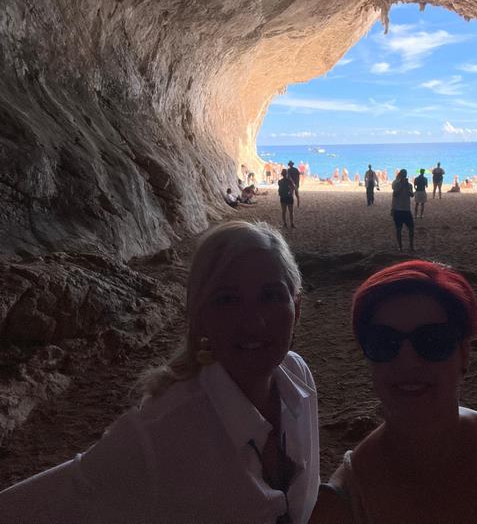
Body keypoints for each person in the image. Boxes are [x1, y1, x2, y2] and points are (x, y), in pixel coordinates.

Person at [0, 221, 320, 524]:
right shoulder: (159, 433)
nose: (253, 321)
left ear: (297, 308)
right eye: (228, 300)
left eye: (271, 296)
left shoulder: (297, 378)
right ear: (199, 319)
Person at [310, 260, 477, 524]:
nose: (408, 362)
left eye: (432, 340)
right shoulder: (343, 505)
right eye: (384, 342)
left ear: (464, 354)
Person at [390, 169, 414, 251]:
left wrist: (407, 187)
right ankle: (400, 247)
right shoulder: (396, 184)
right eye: (403, 174)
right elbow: (395, 195)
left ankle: (411, 246)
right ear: (400, 175)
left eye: (405, 174)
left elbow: (412, 195)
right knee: (399, 229)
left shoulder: (409, 185)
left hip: (407, 210)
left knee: (411, 228)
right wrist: (392, 209)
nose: (404, 176)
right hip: (398, 210)